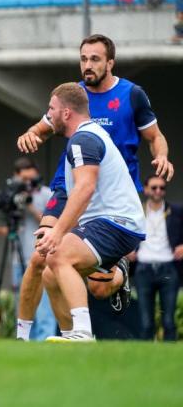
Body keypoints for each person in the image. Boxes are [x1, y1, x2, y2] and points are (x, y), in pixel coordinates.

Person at [15, 34, 174, 339]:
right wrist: (31, 133)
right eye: (84, 59)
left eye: (95, 59)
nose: (87, 65)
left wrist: (163, 156)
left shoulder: (131, 95)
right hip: (68, 188)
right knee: (43, 258)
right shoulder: (74, 97)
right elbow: (45, 125)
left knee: (98, 288)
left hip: (111, 197)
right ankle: (54, 336)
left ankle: (116, 276)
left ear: (110, 63)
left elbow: (155, 137)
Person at [35, 83, 146, 342]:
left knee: (58, 254)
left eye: (51, 108)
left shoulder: (82, 138)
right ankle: (71, 336)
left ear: (66, 113)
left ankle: (83, 334)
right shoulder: (87, 135)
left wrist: (58, 233)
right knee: (52, 273)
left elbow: (85, 188)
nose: (48, 115)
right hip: (111, 223)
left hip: (116, 222)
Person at [0, 158, 57, 341]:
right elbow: (14, 230)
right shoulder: (14, 195)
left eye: (30, 178)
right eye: (23, 179)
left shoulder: (46, 194)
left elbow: (51, 223)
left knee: (44, 307)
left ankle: (45, 342)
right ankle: (25, 340)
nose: (27, 183)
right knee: (22, 304)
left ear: (36, 174)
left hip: (42, 258)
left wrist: (28, 205)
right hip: (18, 261)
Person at [131, 175, 183, 341]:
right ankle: (146, 360)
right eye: (154, 187)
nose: (158, 191)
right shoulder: (137, 212)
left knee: (168, 321)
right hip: (143, 268)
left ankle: (169, 359)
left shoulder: (175, 210)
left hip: (168, 267)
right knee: (146, 322)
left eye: (162, 188)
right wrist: (127, 250)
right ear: (146, 190)